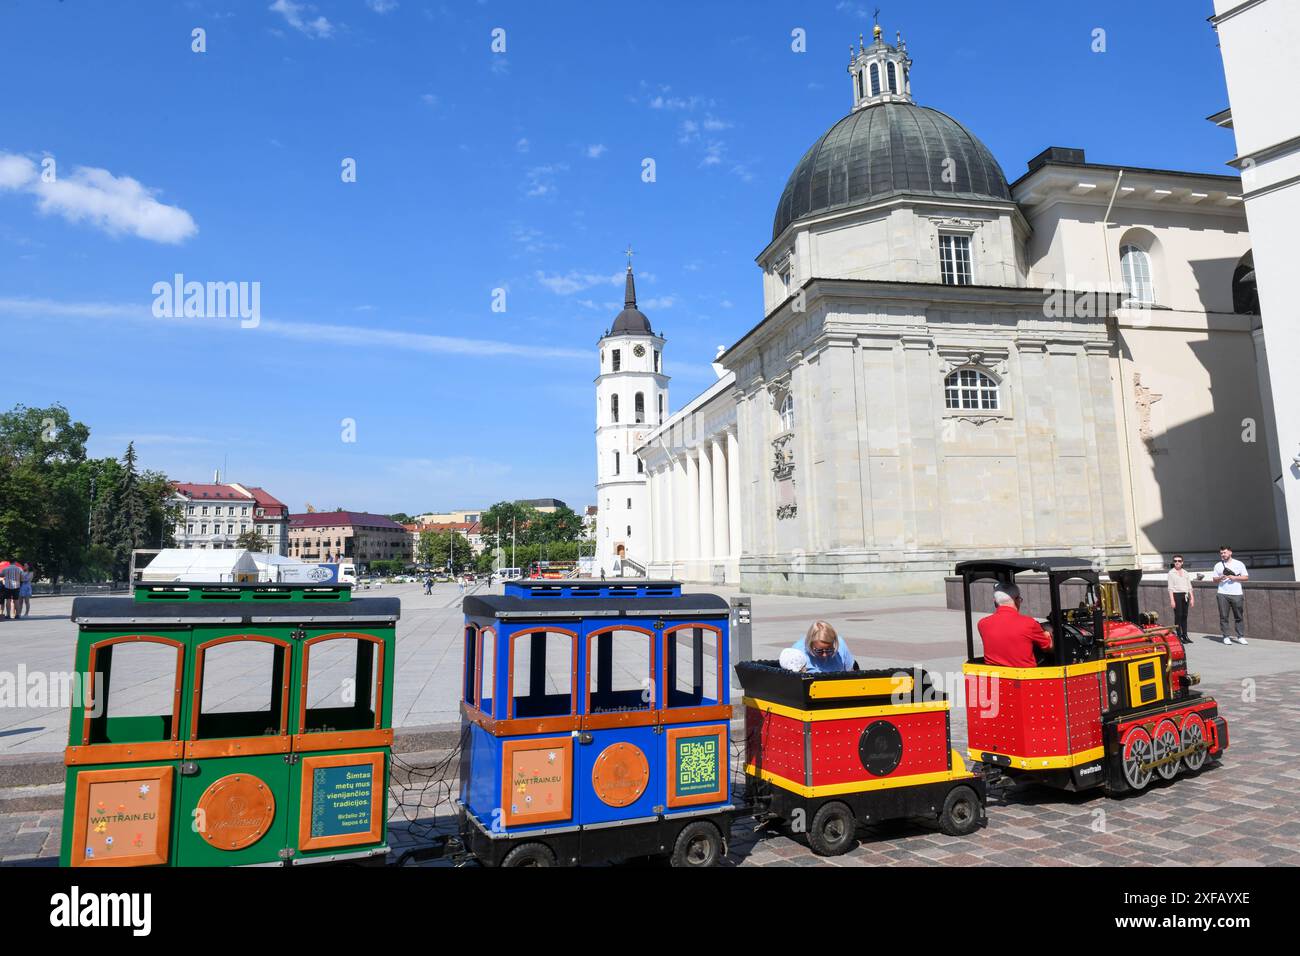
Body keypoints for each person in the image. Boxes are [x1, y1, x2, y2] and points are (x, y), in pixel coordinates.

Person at [977, 583, 1053, 668]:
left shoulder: (982, 624)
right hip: (1025, 677)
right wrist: (1047, 634)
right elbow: (1048, 646)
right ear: (1017, 600)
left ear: (995, 602)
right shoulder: (1029, 623)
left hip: (994, 676)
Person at [1212, 545, 1248, 645]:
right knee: (1224, 616)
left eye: (1224, 552)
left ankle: (1240, 636)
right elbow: (1214, 580)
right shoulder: (1218, 565)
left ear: (1230, 553)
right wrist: (1220, 578)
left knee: (1239, 616)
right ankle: (1226, 636)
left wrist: (1234, 578)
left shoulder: (1239, 564)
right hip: (1222, 593)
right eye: (1221, 553)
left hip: (1237, 593)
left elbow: (1246, 577)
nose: (1223, 555)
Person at [790, 620, 856, 674]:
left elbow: (851, 672)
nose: (825, 655)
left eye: (829, 650)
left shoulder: (840, 645)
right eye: (819, 651)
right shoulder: (798, 652)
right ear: (810, 644)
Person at [1167, 555, 1194, 645]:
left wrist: (1192, 598)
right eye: (1175, 561)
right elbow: (1170, 588)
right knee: (1178, 616)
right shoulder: (1171, 573)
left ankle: (1185, 635)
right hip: (1176, 595)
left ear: (1182, 562)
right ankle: (1179, 636)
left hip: (1185, 595)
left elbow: (1189, 586)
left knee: (1184, 616)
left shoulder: (1185, 572)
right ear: (1173, 562)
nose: (1177, 562)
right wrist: (1172, 600)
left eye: (1179, 560)